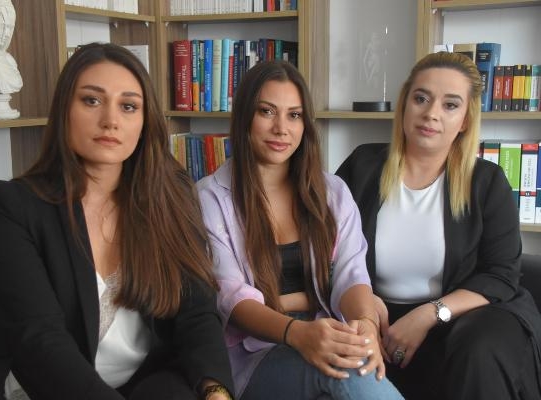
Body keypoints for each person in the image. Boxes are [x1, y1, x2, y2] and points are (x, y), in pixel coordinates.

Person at [0, 42, 234, 400]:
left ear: (144, 122)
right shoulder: (16, 208)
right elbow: (40, 341)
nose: (111, 121)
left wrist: (216, 391)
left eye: (128, 106)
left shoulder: (170, 195)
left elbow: (196, 312)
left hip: (148, 382)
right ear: (64, 110)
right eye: (91, 100)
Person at [336, 51, 541, 399]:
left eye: (450, 105)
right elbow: (326, 247)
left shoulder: (487, 181)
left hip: (463, 316)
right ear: (405, 105)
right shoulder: (362, 166)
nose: (431, 113)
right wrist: (363, 303)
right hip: (374, 316)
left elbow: (501, 274)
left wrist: (431, 314)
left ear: (465, 120)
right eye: (421, 98)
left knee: (482, 347)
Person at [197, 60, 403, 400]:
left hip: (326, 331)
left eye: (294, 115)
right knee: (347, 370)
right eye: (266, 111)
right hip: (253, 354)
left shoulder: (332, 192)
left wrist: (366, 324)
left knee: (354, 363)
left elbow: (351, 274)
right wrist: (298, 333)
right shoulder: (210, 198)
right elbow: (231, 299)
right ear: (245, 117)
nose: (281, 128)